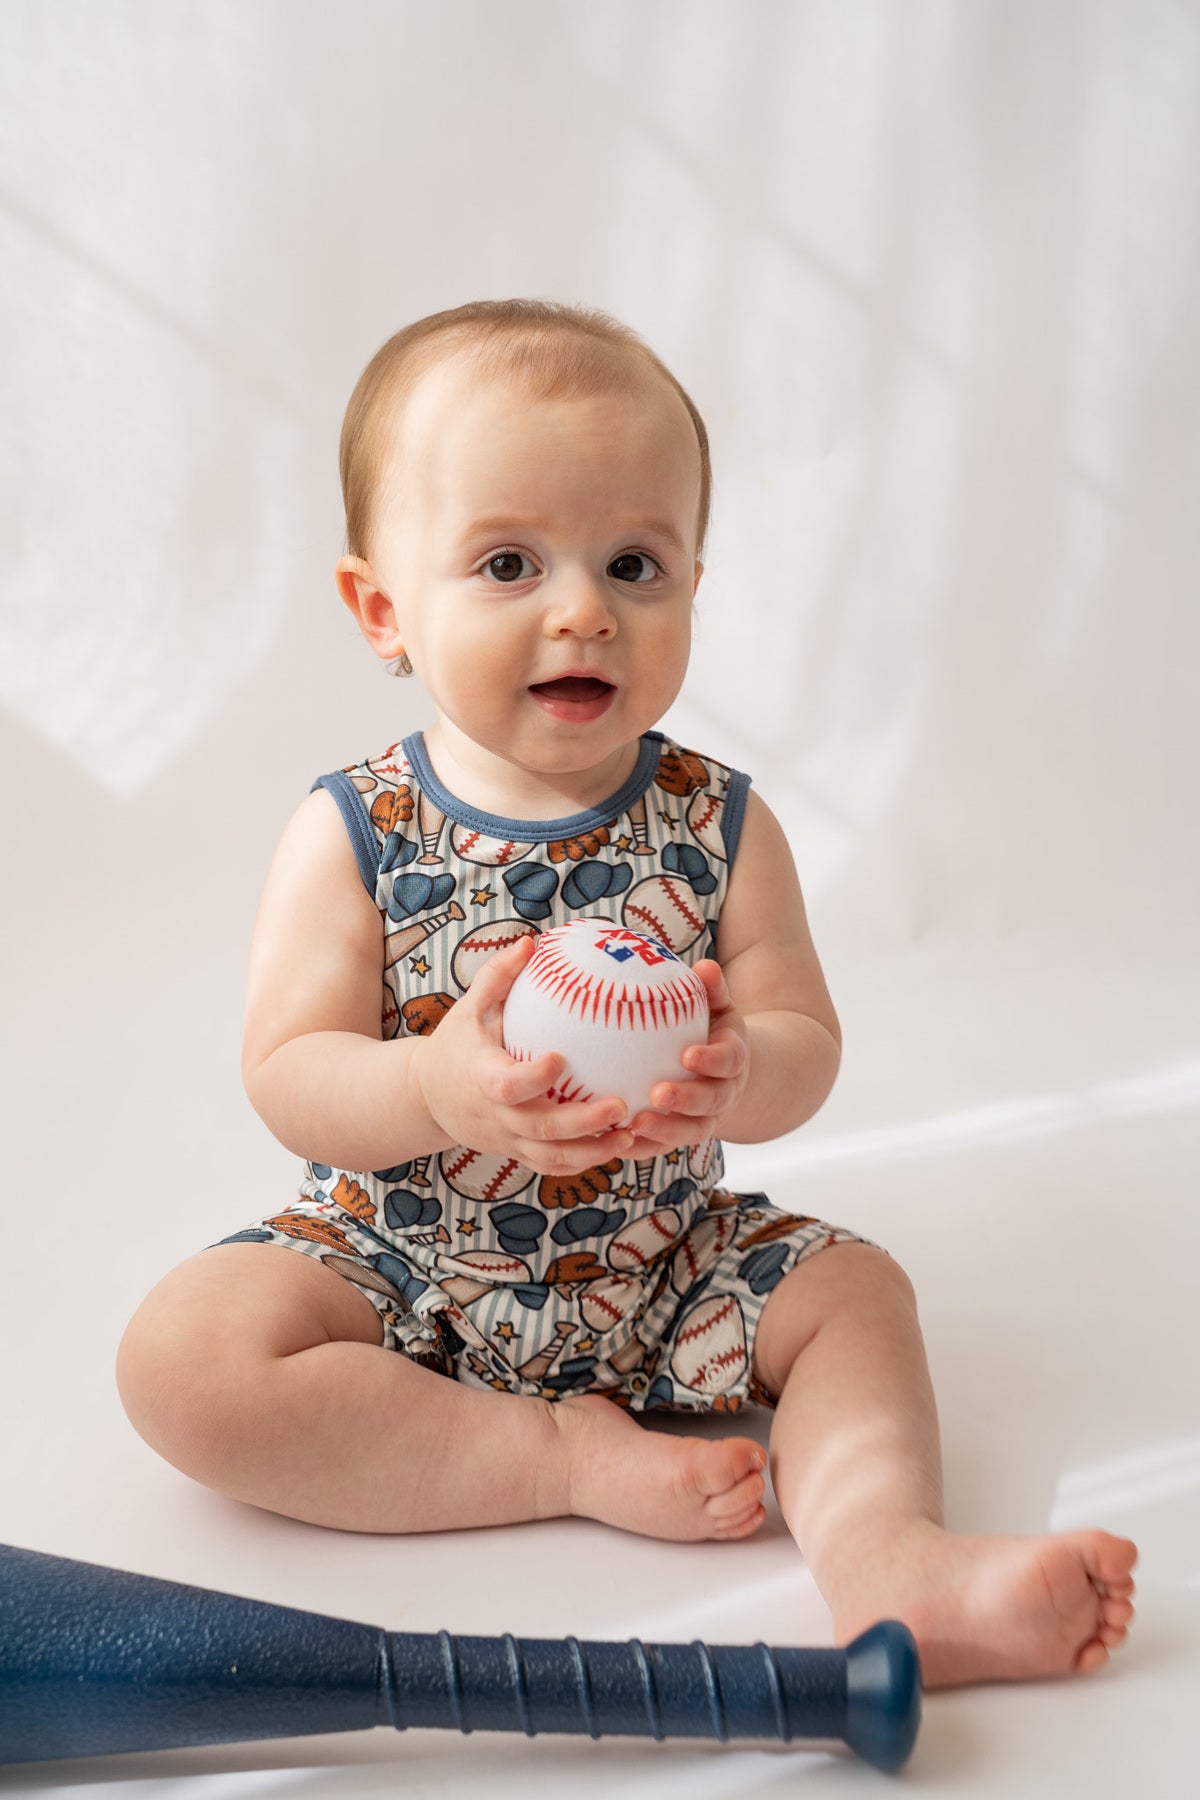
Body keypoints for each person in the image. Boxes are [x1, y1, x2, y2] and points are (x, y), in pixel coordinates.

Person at [117, 299, 1137, 1689]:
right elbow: (287, 1070)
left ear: (695, 587)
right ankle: (549, 1459)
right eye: (508, 563)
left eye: (634, 564)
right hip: (404, 1273)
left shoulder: (719, 824)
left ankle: (890, 1558)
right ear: (382, 609)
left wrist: (742, 1067)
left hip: (663, 1264)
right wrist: (432, 1084)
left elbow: (804, 1038)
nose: (584, 608)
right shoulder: (352, 830)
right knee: (182, 1362)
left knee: (858, 1295)